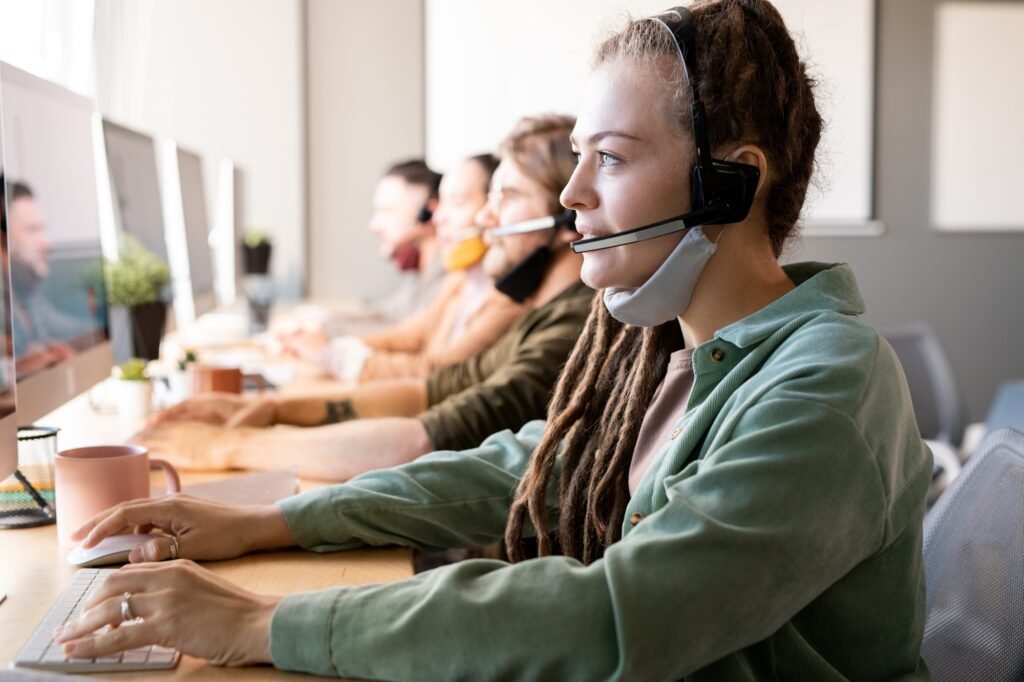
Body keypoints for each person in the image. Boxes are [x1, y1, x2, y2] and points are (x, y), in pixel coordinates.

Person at [58, 2, 931, 678]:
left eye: (614, 160)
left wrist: (257, 622)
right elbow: (525, 468)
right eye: (580, 157)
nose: (573, 196)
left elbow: (621, 617)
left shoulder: (827, 387)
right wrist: (264, 523)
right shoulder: (668, 349)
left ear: (731, 180)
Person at [137, 114, 591, 482]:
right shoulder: (541, 315)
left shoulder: (565, 330)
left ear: (566, 216)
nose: (483, 218)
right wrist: (271, 408)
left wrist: (227, 446)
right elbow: (427, 391)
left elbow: (424, 433)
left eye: (506, 197)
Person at [297, 153, 527, 382]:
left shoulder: (507, 299)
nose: (437, 219)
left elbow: (441, 372)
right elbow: (407, 335)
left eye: (456, 203)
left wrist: (329, 354)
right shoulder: (457, 283)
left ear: (493, 213)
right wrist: (328, 345)